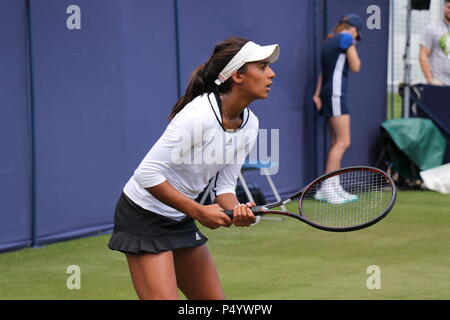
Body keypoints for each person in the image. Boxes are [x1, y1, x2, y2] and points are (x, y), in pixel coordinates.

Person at [108, 37, 279, 300]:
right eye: (263, 66)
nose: (271, 73)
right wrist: (199, 211)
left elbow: (224, 188)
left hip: (180, 216)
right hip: (143, 215)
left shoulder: (250, 124)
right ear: (238, 76)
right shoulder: (197, 115)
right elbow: (146, 175)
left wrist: (237, 210)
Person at [312, 14, 362, 204]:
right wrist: (352, 44)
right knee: (343, 142)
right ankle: (326, 188)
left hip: (328, 94)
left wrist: (317, 94)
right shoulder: (347, 38)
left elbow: (323, 73)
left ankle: (333, 185)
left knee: (336, 142)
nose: (355, 38)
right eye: (357, 34)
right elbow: (356, 66)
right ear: (352, 29)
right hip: (335, 94)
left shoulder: (329, 40)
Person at [419, 0, 450, 86]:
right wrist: (430, 78)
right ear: (444, 8)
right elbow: (423, 55)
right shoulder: (432, 28)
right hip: (439, 83)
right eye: (449, 7)